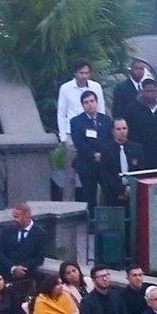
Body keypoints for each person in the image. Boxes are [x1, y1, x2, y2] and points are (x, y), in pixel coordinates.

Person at [55, 59, 105, 195]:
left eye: (87, 73)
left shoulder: (96, 87)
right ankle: (68, 206)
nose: (84, 76)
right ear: (75, 73)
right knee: (70, 175)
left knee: (98, 170)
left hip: (94, 133)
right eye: (81, 73)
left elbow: (101, 110)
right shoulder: (65, 88)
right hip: (72, 134)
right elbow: (61, 113)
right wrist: (63, 137)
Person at [68, 90, 113, 206]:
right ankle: (91, 222)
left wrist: (103, 154)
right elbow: (79, 142)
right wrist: (94, 154)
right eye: (86, 102)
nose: (90, 104)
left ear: (97, 102)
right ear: (83, 105)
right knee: (89, 196)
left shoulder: (106, 120)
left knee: (109, 193)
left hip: (105, 163)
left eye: (92, 101)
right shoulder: (76, 122)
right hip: (87, 164)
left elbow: (110, 139)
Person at [0, 203, 47, 296]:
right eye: (14, 216)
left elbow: (39, 258)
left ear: (27, 216)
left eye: (17, 217)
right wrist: (13, 268)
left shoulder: (40, 233)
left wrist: (22, 268)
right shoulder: (7, 230)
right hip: (6, 277)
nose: (14, 220)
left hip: (26, 280)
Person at [125, 78, 157, 171]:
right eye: (147, 91)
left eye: (153, 91)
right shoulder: (132, 109)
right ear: (142, 92)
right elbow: (129, 128)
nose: (150, 93)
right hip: (141, 151)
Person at [101, 118, 147, 205]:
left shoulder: (137, 148)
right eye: (118, 129)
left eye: (124, 128)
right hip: (113, 195)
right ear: (113, 131)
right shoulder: (106, 150)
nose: (122, 132)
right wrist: (122, 190)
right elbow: (106, 175)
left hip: (134, 193)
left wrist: (131, 189)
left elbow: (141, 172)